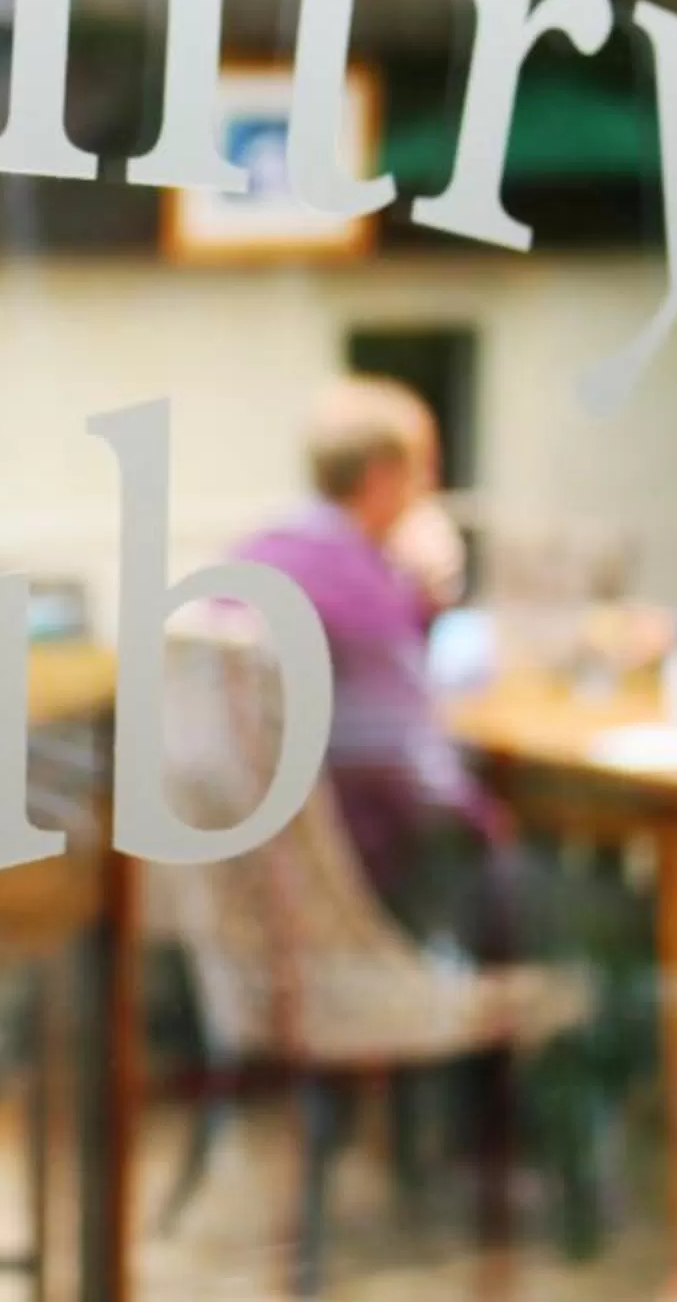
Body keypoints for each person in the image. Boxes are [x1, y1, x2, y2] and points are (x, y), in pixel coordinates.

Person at [230, 375, 518, 954]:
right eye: (425, 470)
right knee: (538, 880)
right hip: (355, 876)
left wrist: (418, 602)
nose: (430, 490)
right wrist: (487, 822)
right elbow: (412, 763)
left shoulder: (254, 557)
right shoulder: (357, 587)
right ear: (385, 476)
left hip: (265, 881)